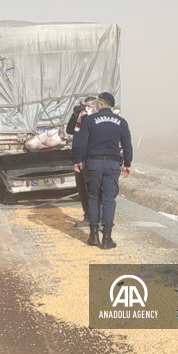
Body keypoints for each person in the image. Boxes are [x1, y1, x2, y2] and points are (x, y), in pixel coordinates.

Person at [73, 92, 132, 249]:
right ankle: (107, 238)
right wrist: (127, 163)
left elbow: (81, 142)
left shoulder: (90, 120)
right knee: (108, 200)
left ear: (101, 104)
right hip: (112, 165)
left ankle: (93, 236)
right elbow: (127, 144)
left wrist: (78, 160)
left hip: (93, 164)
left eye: (97, 102)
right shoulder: (121, 122)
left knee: (93, 198)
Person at [65, 96, 96, 228]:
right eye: (85, 106)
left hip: (90, 160)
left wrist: (87, 117)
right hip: (78, 160)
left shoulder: (96, 121)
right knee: (82, 190)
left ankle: (95, 218)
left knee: (92, 191)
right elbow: (70, 130)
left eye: (89, 106)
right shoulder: (81, 120)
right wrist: (76, 114)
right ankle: (87, 216)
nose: (86, 109)